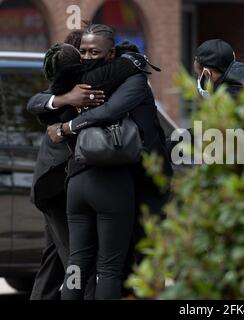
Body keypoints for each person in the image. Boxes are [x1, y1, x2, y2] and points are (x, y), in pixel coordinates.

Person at [46, 24, 172, 300]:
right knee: (109, 268)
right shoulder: (121, 80)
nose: (88, 56)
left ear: (111, 53)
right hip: (114, 182)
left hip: (78, 179)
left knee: (76, 264)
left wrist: (67, 126)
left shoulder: (79, 84)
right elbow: (111, 111)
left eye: (94, 51)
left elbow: (44, 106)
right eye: (84, 51)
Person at [27, 30, 102, 300]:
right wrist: (66, 99)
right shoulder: (68, 87)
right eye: (84, 51)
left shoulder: (95, 82)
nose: (89, 56)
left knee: (55, 261)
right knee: (76, 259)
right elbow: (35, 102)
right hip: (55, 188)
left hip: (68, 185)